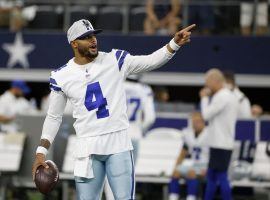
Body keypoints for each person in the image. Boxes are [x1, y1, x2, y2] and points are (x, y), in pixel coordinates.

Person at [31, 19, 196, 200]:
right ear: (74, 43)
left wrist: (174, 44)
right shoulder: (61, 75)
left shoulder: (114, 59)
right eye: (86, 37)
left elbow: (150, 61)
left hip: (118, 142)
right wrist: (41, 152)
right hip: (87, 147)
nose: (93, 40)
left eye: (93, 35)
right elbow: (54, 117)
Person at [104, 75, 156, 200]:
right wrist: (139, 129)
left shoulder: (114, 84)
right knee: (130, 173)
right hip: (134, 135)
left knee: (110, 172)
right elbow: (150, 118)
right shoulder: (145, 89)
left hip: (115, 134)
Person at [199, 69, 238, 200]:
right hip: (221, 142)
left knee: (220, 176)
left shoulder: (222, 96)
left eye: (207, 83)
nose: (207, 86)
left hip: (221, 143)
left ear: (215, 81)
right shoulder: (228, 95)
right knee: (212, 175)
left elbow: (206, 115)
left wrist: (204, 98)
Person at [168, 112, 209, 200]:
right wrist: (176, 166)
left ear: (203, 122)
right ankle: (173, 197)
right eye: (193, 122)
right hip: (194, 164)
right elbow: (183, 153)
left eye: (197, 121)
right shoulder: (189, 134)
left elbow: (214, 155)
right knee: (176, 173)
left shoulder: (209, 134)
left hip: (206, 165)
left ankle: (191, 197)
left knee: (191, 172)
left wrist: (209, 169)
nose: (195, 124)